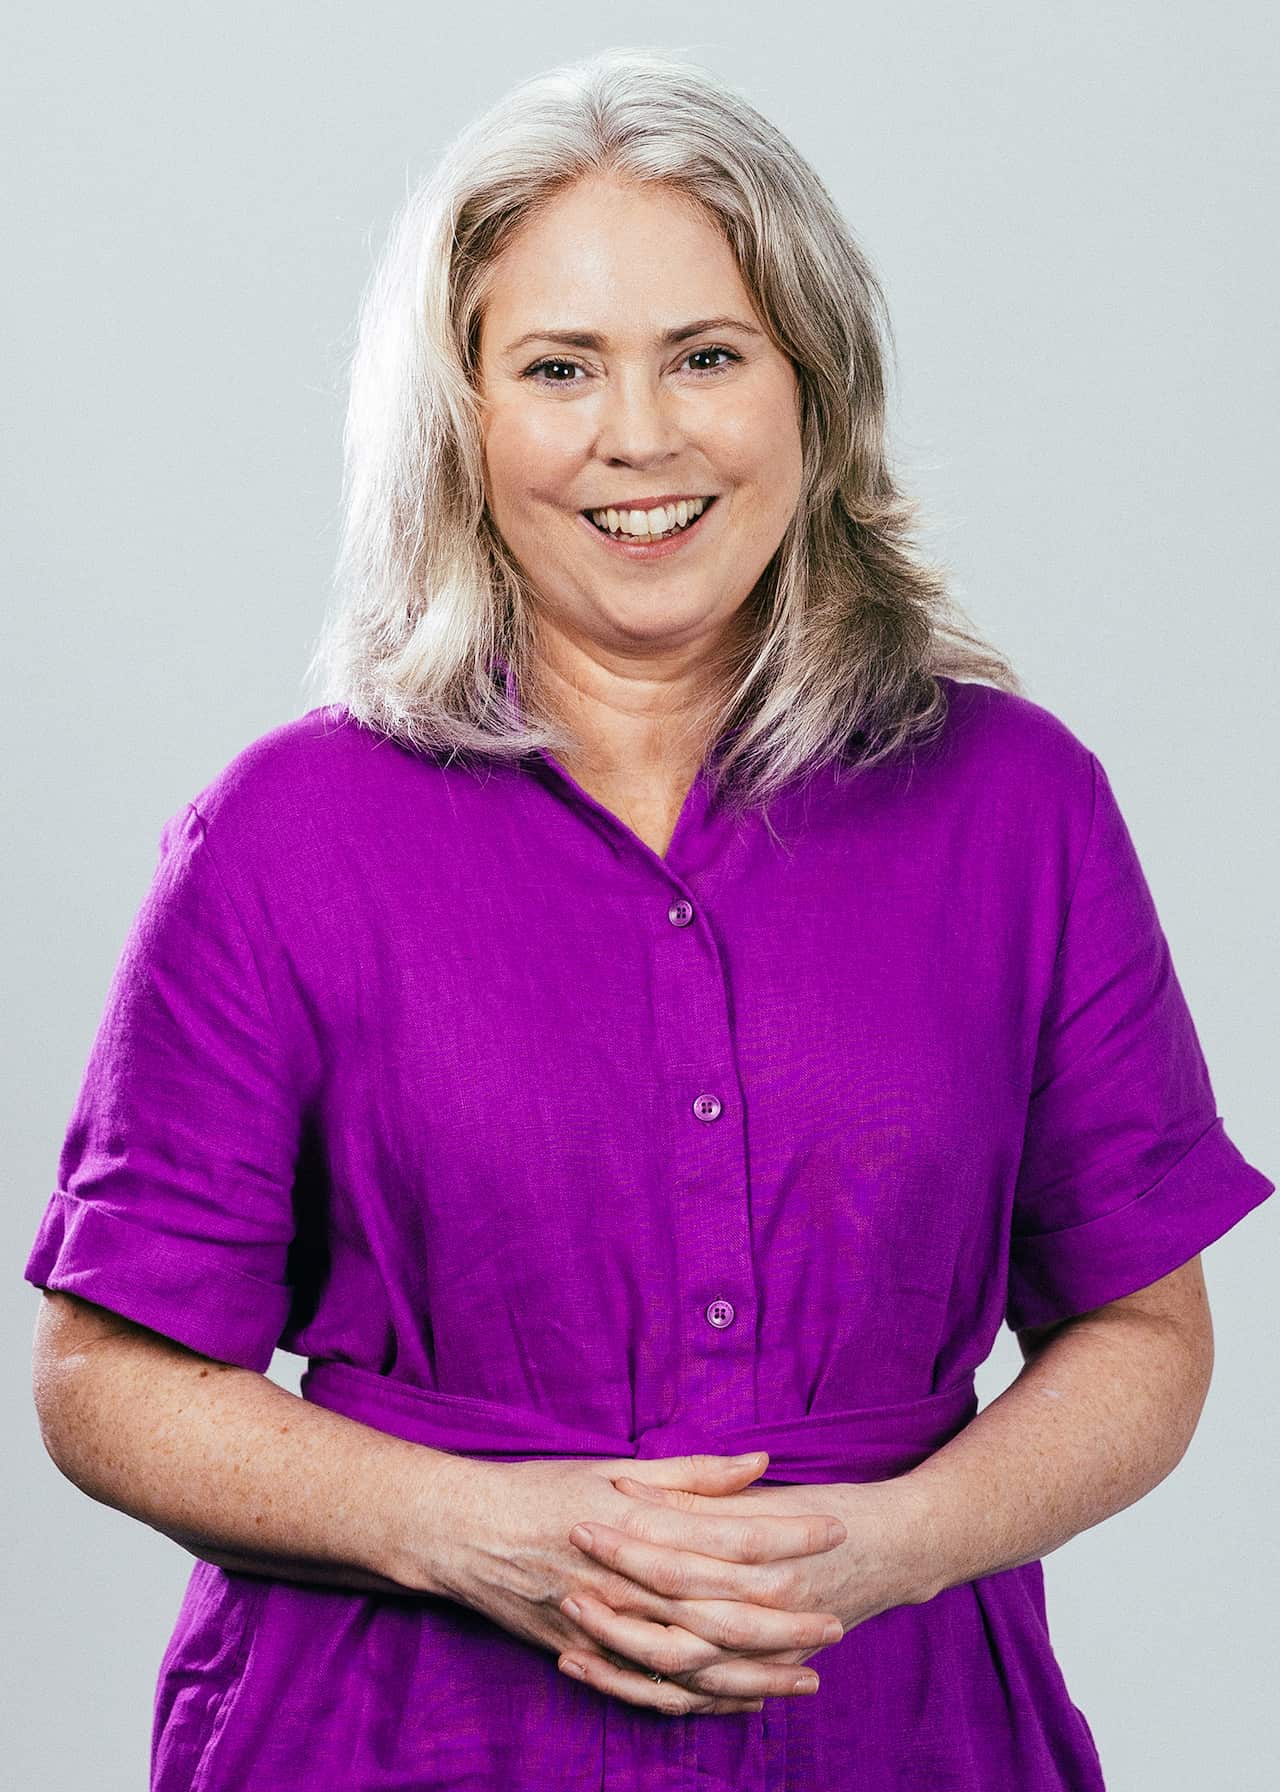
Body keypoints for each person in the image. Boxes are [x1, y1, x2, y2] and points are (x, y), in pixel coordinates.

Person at [24, 46, 1274, 1792]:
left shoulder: (1020, 805)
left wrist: (891, 1548)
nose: (640, 436)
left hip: (895, 1735)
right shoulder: (279, 838)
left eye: (706, 356)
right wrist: (483, 1536)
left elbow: (1145, 1334)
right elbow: (103, 1378)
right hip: (391, 1736)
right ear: (462, 421)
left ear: (812, 396)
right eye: (558, 369)